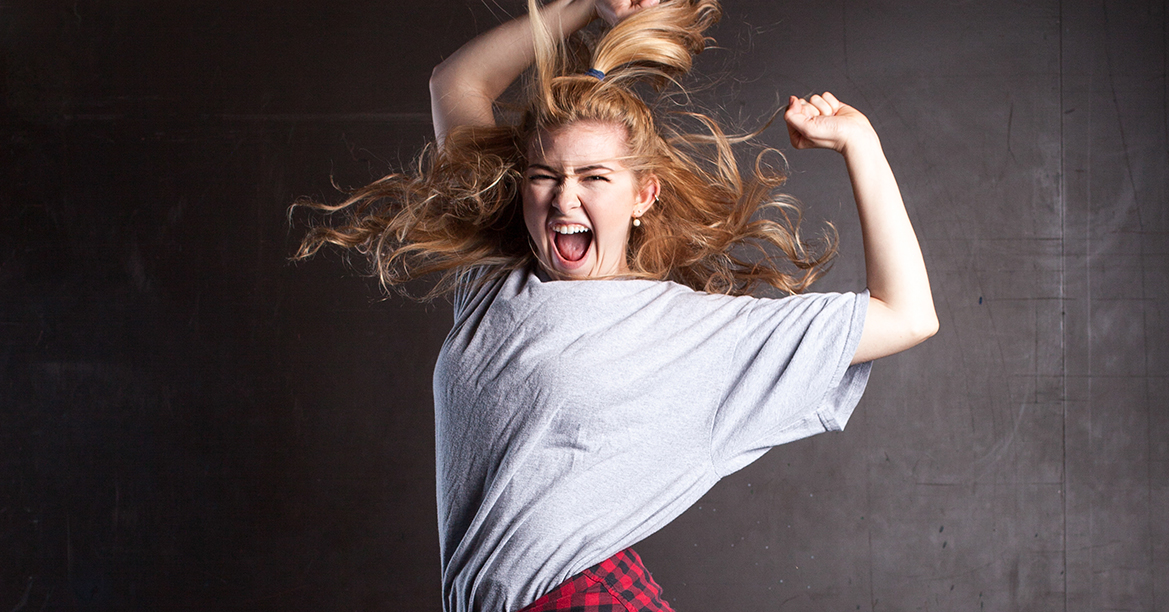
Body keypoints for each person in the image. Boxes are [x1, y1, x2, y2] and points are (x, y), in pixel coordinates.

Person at [294, 0, 937, 610]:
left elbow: (908, 314)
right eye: (545, 176)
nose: (565, 198)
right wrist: (586, 4)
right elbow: (456, 82)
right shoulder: (493, 281)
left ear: (643, 195)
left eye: (596, 177)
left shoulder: (690, 329)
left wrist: (861, 143)